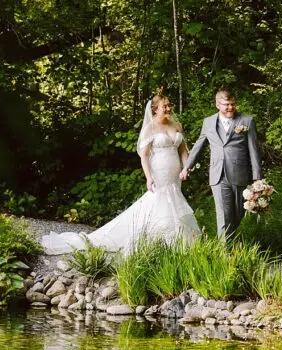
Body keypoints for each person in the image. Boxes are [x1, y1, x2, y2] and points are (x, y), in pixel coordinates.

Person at [41, 93, 201, 255]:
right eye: (164, 106)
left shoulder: (177, 125)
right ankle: (161, 240)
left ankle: (180, 239)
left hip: (175, 172)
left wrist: (186, 167)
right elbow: (144, 156)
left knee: (174, 199)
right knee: (159, 200)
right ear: (155, 109)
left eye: (169, 105)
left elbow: (182, 150)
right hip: (159, 170)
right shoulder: (150, 128)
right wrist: (149, 177)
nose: (168, 108)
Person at [181, 89, 262, 238]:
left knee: (238, 214)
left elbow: (254, 151)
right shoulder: (208, 122)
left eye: (233, 104)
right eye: (226, 105)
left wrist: (257, 179)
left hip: (239, 174)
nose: (230, 107)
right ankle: (225, 254)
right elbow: (199, 146)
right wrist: (187, 166)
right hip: (218, 175)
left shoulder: (247, 121)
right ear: (217, 105)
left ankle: (230, 246)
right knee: (224, 215)